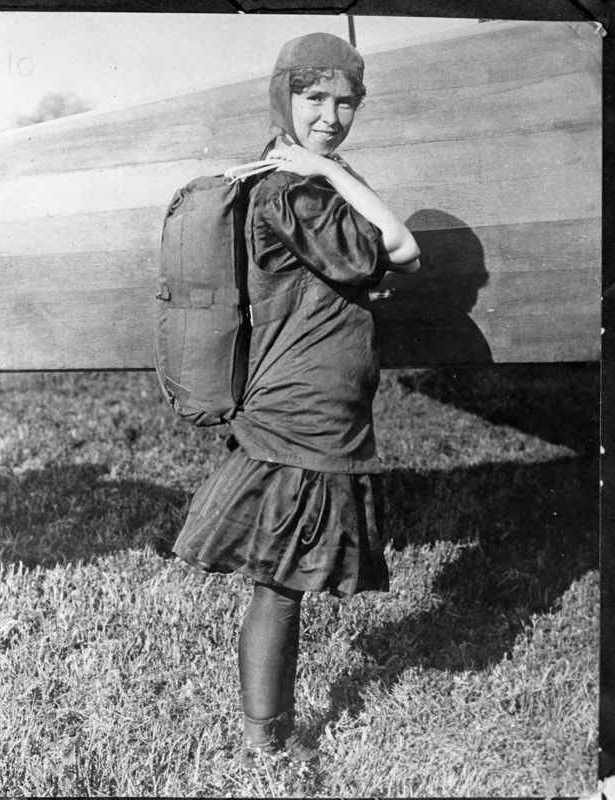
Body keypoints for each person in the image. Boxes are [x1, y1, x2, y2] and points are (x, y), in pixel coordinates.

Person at [172, 31, 420, 768]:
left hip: (308, 399)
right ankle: (265, 748)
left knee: (281, 583)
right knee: (280, 587)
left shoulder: (292, 175)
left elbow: (339, 271)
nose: (331, 118)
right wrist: (330, 171)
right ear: (285, 96)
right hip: (304, 407)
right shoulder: (298, 187)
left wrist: (329, 174)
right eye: (314, 98)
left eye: (346, 103)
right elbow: (403, 250)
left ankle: (266, 739)